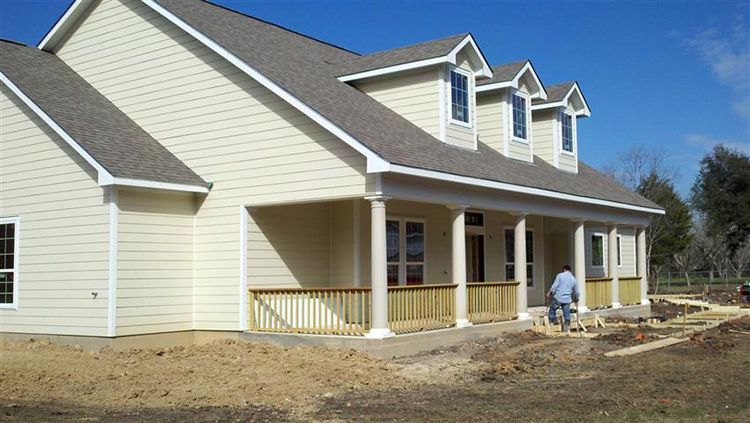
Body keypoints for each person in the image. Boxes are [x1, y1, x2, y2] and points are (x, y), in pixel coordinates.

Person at [547, 264, 580, 332]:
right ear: (569, 270)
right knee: (566, 313)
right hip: (567, 299)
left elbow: (554, 286)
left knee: (552, 310)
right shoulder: (573, 279)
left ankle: (551, 324)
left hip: (558, 297)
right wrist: (576, 298)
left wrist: (550, 292)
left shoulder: (560, 275)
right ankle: (566, 327)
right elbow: (577, 291)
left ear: (564, 269)